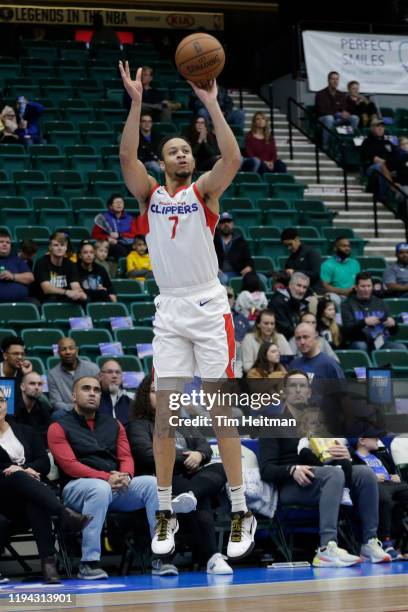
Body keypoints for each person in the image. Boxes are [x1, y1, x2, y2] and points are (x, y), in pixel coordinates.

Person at [119, 60, 256, 561]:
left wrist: (212, 103)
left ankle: (242, 509)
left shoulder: (204, 194)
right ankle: (162, 509)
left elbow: (234, 157)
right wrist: (136, 103)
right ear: (162, 162)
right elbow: (126, 154)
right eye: (171, 150)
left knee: (222, 409)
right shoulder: (149, 195)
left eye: (185, 150)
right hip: (168, 308)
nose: (180, 153)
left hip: (206, 302)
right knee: (164, 418)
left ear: (191, 162)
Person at [259, 370, 391, 566]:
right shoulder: (271, 425)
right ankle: (326, 547)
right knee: (334, 473)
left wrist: (347, 456)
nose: (298, 390)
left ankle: (369, 541)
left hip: (327, 475)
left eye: (302, 386)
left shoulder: (321, 423)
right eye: (293, 386)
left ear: (309, 392)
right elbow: (266, 469)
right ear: (284, 391)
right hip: (293, 486)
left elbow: (336, 457)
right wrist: (292, 470)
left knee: (364, 473)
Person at [47, 376, 158, 580]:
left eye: (97, 390)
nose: (92, 393)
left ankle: (160, 556)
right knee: (99, 488)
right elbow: (70, 465)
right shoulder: (58, 426)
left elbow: (125, 456)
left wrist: (126, 475)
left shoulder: (114, 424)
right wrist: (105, 477)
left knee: (153, 484)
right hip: (76, 488)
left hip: (114, 486)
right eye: (86, 389)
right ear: (73, 395)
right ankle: (89, 563)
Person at [127, 376, 232, 574]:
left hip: (191, 478)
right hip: (165, 479)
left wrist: (199, 455)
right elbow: (148, 455)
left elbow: (205, 448)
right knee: (202, 499)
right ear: (144, 397)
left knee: (223, 468)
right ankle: (212, 557)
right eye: (154, 391)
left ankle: (190, 496)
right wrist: (186, 458)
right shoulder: (138, 425)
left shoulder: (183, 422)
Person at [0, 388, 92, 583]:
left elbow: (43, 461)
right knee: (18, 478)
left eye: (0, 400)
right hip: (3, 497)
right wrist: (19, 470)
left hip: (31, 494)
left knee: (35, 502)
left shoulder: (25, 430)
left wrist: (24, 469)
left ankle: (48, 565)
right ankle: (64, 514)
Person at [353, 436, 408, 560]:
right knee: (385, 500)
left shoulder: (379, 455)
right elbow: (355, 477)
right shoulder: (355, 458)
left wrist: (397, 477)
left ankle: (404, 545)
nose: (377, 439)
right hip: (373, 486)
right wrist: (372, 477)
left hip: (391, 483)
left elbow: (392, 471)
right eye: (373, 438)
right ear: (362, 441)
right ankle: (386, 543)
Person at [341, 272, 405, 352]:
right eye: (363, 286)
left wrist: (393, 324)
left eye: (369, 286)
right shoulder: (347, 305)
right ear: (356, 287)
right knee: (361, 346)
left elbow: (394, 331)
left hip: (380, 343)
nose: (366, 289)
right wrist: (364, 322)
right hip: (358, 342)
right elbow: (346, 331)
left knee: (401, 348)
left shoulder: (381, 303)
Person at [47, 337, 99, 415]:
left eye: (71, 348)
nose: (68, 352)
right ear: (58, 353)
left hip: (91, 409)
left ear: (77, 351)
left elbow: (99, 394)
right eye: (63, 349)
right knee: (57, 414)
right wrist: (78, 409)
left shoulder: (92, 369)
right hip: (68, 413)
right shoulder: (53, 374)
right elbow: (56, 403)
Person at [33, 231, 87, 304]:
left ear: (66, 248)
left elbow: (75, 285)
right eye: (56, 245)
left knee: (82, 300)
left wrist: (80, 293)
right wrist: (66, 292)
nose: (59, 248)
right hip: (45, 299)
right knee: (52, 298)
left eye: (62, 245)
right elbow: (47, 289)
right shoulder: (42, 263)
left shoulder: (70, 264)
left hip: (64, 297)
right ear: (50, 247)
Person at [315, 71, 359, 147]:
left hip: (338, 120)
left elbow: (344, 108)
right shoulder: (320, 94)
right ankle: (326, 145)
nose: (335, 81)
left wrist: (345, 113)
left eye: (337, 79)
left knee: (354, 118)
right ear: (328, 80)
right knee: (329, 118)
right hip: (324, 119)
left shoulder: (341, 95)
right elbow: (322, 110)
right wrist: (337, 113)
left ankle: (349, 142)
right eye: (333, 79)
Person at [242, 309, 292, 374]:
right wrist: (266, 368)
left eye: (272, 324)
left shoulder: (280, 338)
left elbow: (289, 360)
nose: (269, 327)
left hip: (278, 377)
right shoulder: (249, 338)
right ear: (258, 324)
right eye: (266, 323)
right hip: (257, 378)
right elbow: (246, 366)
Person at [360, 119, 399, 201]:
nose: (380, 128)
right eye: (378, 126)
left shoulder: (387, 142)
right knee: (380, 167)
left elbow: (396, 155)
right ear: (372, 128)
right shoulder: (367, 142)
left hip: (389, 165)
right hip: (372, 167)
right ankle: (383, 195)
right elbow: (373, 158)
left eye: (382, 126)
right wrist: (388, 164)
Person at [91, 194, 138, 259]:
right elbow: (95, 234)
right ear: (110, 206)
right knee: (120, 250)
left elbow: (134, 235)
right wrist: (107, 238)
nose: (119, 204)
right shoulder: (103, 218)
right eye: (116, 202)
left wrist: (120, 235)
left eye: (121, 202)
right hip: (111, 244)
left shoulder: (130, 218)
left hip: (127, 243)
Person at [214, 212, 254, 285]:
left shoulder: (240, 241)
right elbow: (208, 259)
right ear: (219, 225)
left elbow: (248, 259)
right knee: (223, 279)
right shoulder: (213, 241)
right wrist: (215, 269)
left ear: (232, 224)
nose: (226, 224)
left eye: (228, 221)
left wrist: (249, 267)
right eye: (223, 222)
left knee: (261, 278)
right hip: (219, 273)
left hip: (238, 272)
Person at [320, 236, 361, 309]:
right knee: (335, 299)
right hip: (337, 295)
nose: (347, 248)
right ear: (335, 248)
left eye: (348, 246)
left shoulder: (355, 263)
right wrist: (343, 291)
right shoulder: (327, 265)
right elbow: (324, 286)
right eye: (344, 246)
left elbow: (359, 281)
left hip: (354, 294)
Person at [13, 372, 53, 445]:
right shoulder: (12, 407)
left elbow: (48, 434)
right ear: (22, 387)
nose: (37, 387)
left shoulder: (43, 408)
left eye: (40, 384)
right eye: (32, 383)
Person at [268, 272, 310, 339]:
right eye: (299, 285)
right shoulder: (278, 301)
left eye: (304, 287)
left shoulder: (303, 302)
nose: (301, 290)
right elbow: (285, 329)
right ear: (290, 285)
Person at [281, 227, 324, 293]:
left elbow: (315, 274)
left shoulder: (311, 253)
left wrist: (295, 272)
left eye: (290, 244)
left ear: (297, 239)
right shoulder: (290, 259)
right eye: (286, 246)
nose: (288, 248)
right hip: (296, 293)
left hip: (313, 291)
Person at [0, 229, 34, 303]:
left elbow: (30, 277)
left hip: (22, 302)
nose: (5, 244)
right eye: (1, 242)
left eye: (8, 242)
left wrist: (12, 276)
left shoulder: (16, 260)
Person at [0, 336, 32, 410]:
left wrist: (27, 376)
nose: (20, 357)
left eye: (22, 354)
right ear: (5, 355)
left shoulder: (23, 372)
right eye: (16, 354)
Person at [98, 359, 132, 425]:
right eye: (109, 372)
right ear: (100, 376)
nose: (114, 376)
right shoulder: (94, 400)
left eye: (118, 372)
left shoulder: (130, 401)